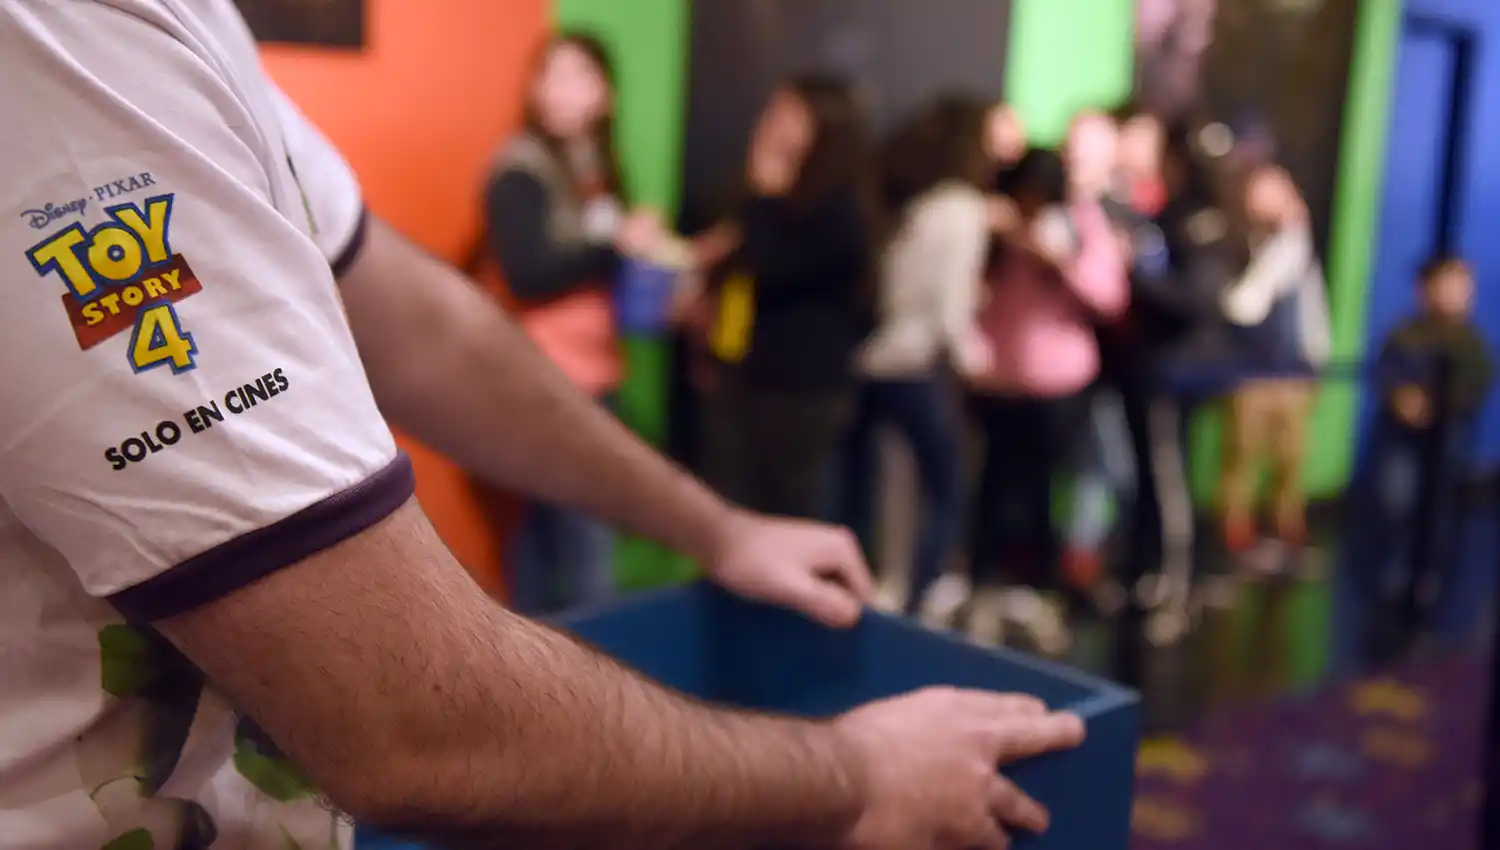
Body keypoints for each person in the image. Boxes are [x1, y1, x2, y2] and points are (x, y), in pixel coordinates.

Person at [0, 4, 1087, 849]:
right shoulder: (54, 37)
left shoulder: (175, 26)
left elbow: (419, 323)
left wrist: (713, 526)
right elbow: (406, 711)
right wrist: (852, 782)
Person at [480, 33, 662, 615]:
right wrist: (616, 245)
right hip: (545, 377)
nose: (559, 90)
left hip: (589, 369)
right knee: (586, 548)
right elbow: (529, 273)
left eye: (577, 75)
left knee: (545, 538)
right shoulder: (518, 170)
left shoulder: (595, 167)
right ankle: (591, 687)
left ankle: (528, 679)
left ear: (605, 93)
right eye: (549, 75)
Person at [965, 123, 1130, 652]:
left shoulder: (1080, 224)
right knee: (993, 490)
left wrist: (1058, 259)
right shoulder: (993, 222)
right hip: (996, 382)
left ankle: (1042, 594)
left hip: (1060, 386)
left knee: (1047, 493)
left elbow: (1109, 296)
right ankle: (986, 593)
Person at [699, 75, 878, 520]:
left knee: (794, 513)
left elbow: (771, 264)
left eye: (788, 115)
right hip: (750, 371)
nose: (770, 125)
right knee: (740, 506)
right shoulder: (779, 197)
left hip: (803, 387)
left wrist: (763, 193)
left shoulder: (839, 208)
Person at [842, 95, 993, 616]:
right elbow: (950, 306)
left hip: (875, 360)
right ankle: (920, 594)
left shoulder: (916, 204)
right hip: (915, 364)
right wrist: (973, 357)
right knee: (948, 487)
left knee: (884, 491)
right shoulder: (963, 208)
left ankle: (881, 587)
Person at [1333, 256, 1493, 673]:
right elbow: (1387, 375)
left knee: (1437, 510)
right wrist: (1403, 400)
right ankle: (1393, 578)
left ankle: (1426, 578)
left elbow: (1474, 386)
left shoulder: (1471, 342)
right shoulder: (1406, 333)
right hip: (1401, 438)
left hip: (1447, 440)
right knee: (1395, 500)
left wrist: (1441, 407)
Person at [1217, 164, 1332, 559]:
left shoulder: (1295, 246)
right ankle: (1235, 535)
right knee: (1241, 456)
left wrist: (1316, 357)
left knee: (1291, 456)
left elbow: (1308, 307)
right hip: (1250, 368)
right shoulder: (1236, 241)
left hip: (1293, 368)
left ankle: (1287, 532)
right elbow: (1243, 304)